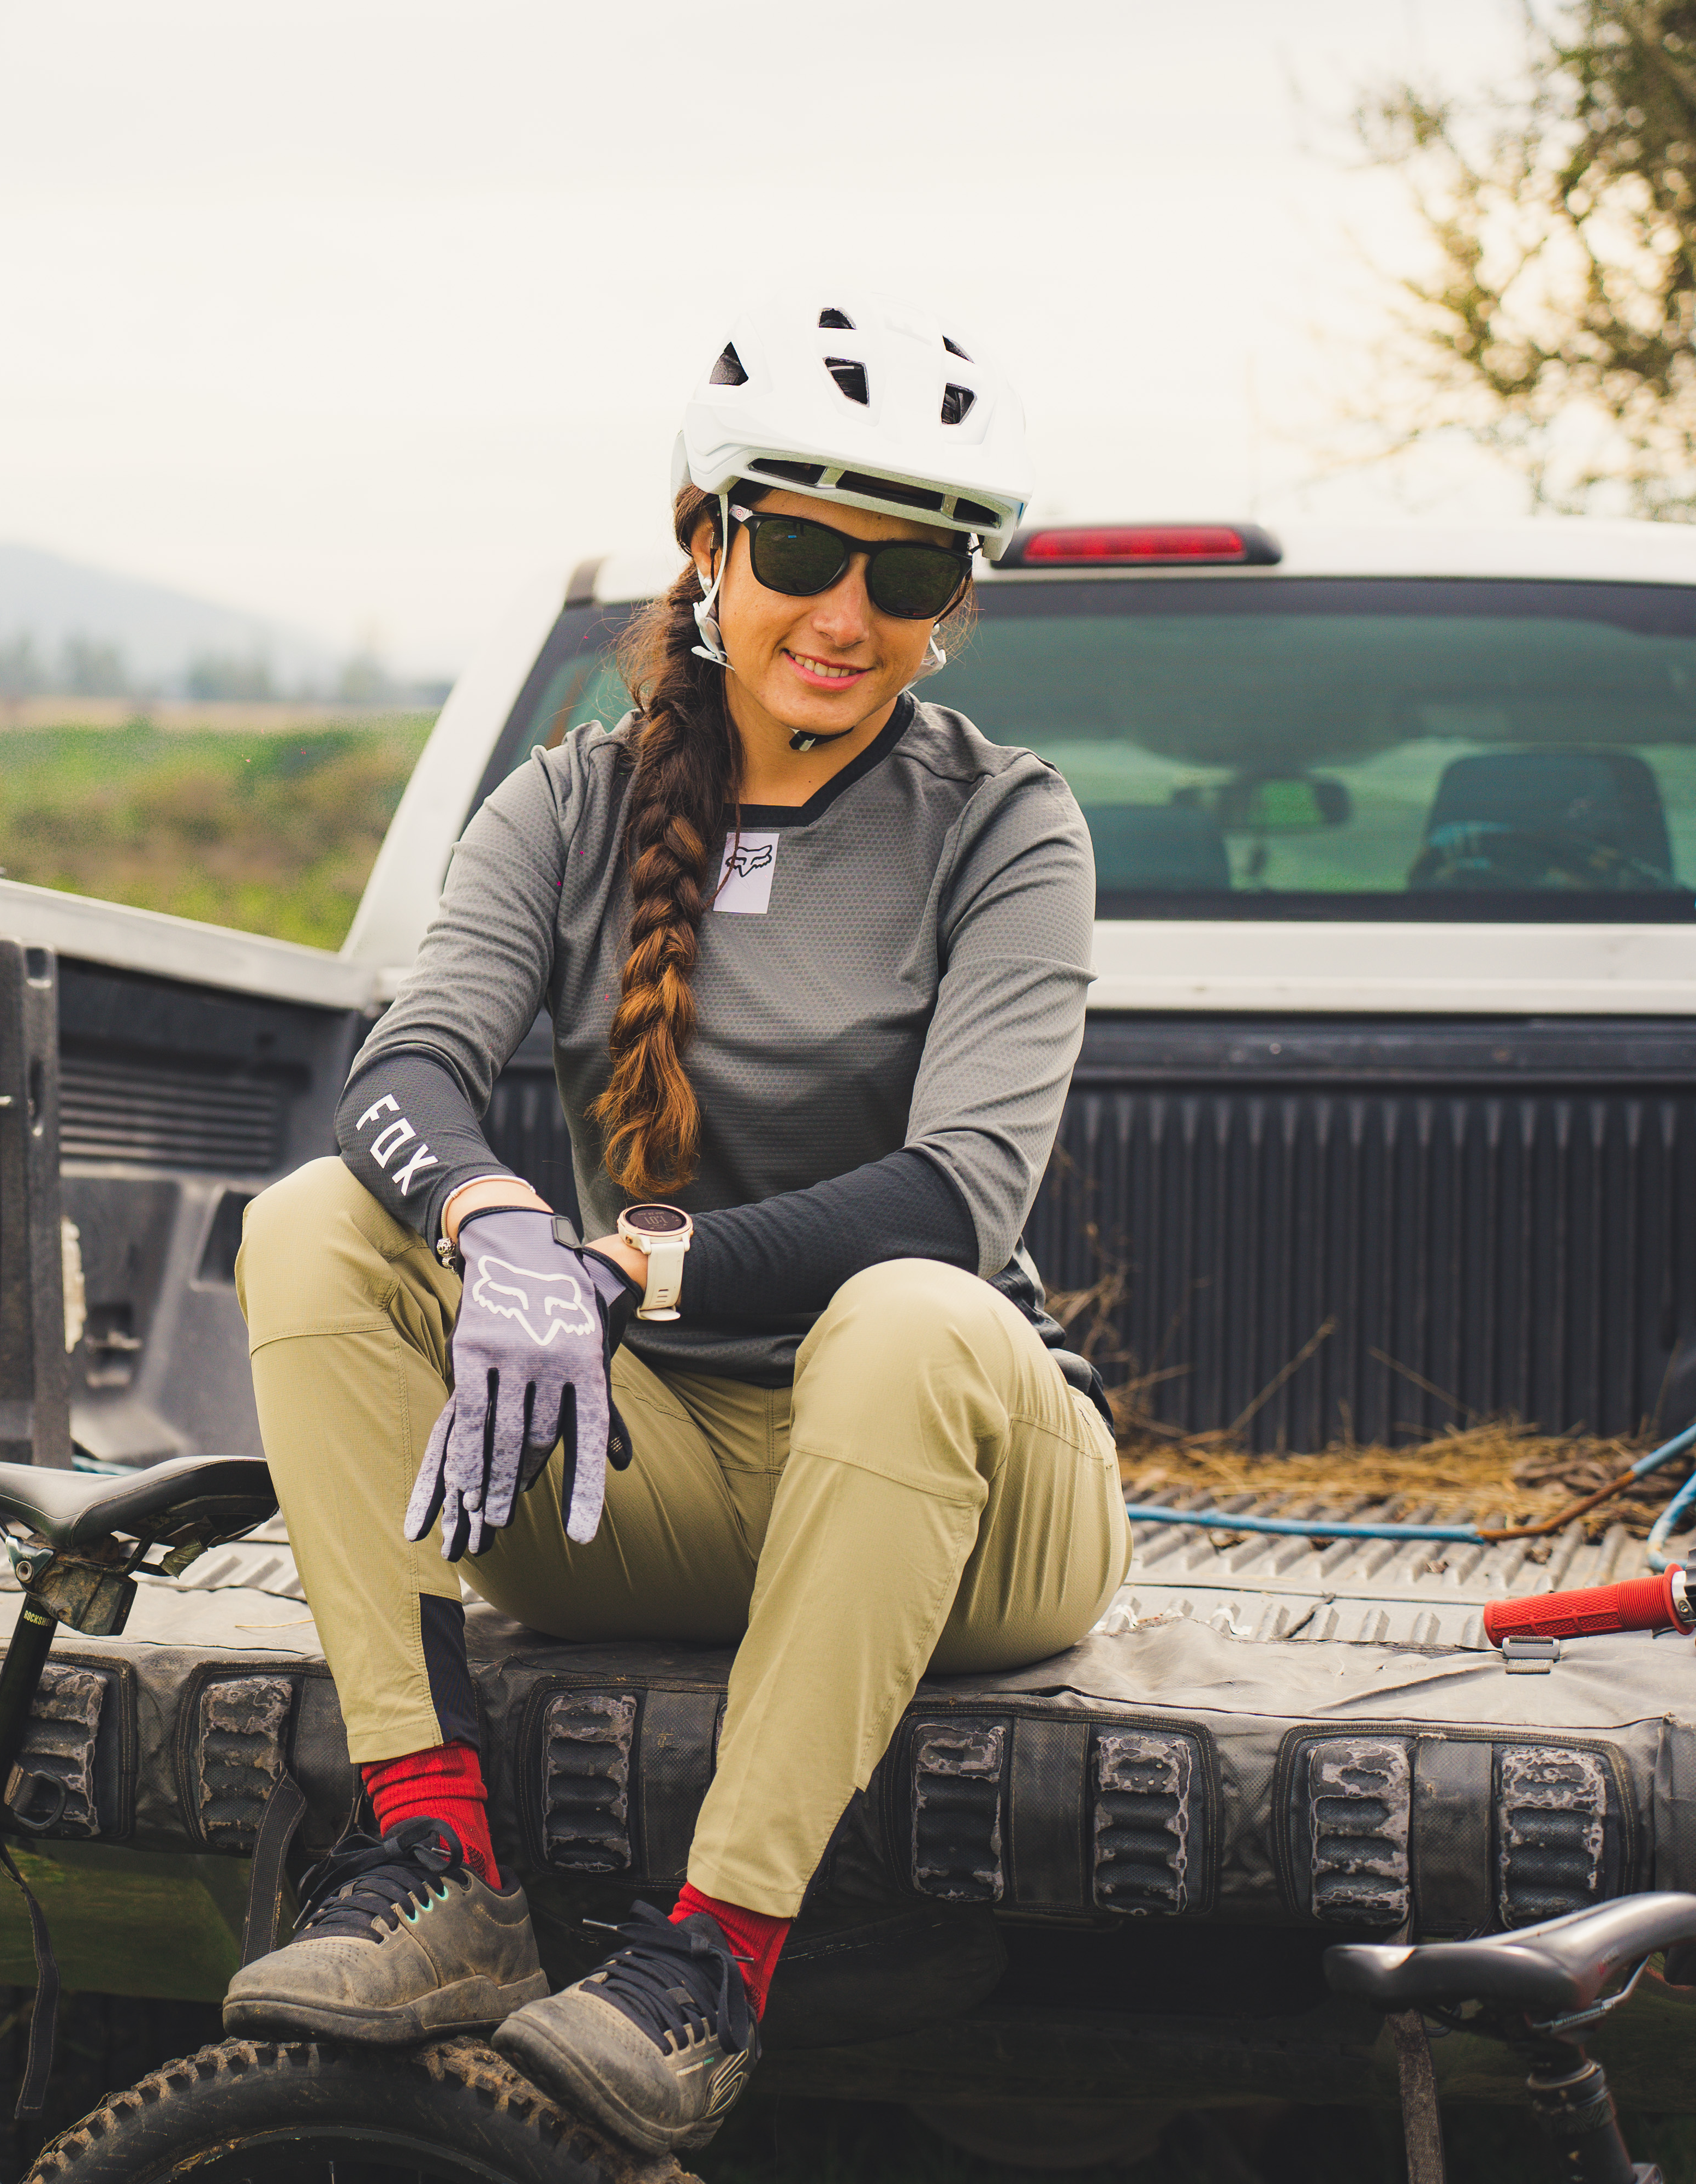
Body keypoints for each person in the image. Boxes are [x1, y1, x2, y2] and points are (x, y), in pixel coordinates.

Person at [217, 292, 1129, 2157]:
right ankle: (432, 1861)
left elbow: (962, 1195)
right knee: (315, 1224)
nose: (850, 615)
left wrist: (628, 1267)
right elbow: (405, 1070)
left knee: (907, 1315)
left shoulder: (1008, 824)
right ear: (708, 540)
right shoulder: (566, 807)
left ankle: (711, 1965)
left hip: (959, 1513)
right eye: (801, 549)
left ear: (957, 599)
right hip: (645, 1488)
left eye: (914, 572)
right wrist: (497, 1229)